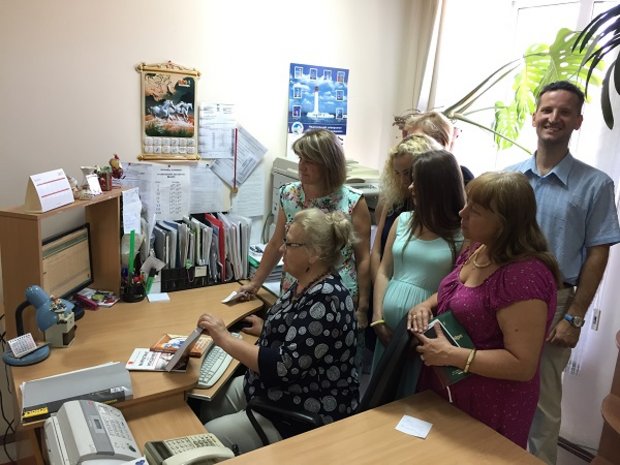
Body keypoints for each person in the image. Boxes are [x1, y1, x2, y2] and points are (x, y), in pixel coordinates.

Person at [507, 81, 620, 464]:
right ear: (534, 116)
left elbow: (598, 253)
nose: (554, 118)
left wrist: (575, 316)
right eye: (547, 110)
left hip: (555, 303)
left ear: (578, 122)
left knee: (543, 399)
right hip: (504, 296)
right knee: (496, 383)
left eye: (564, 112)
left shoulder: (595, 185)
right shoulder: (510, 178)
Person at [408, 171, 560, 449]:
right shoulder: (479, 249)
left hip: (490, 402)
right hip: (449, 384)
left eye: (474, 210)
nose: (462, 212)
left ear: (504, 223)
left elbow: (522, 364)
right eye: (467, 203)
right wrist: (426, 304)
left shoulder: (523, 276)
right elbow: (459, 292)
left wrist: (451, 355)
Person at [198, 208, 360, 453]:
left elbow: (283, 366)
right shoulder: (306, 282)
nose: (282, 249)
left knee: (209, 436)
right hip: (272, 388)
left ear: (314, 253)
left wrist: (224, 338)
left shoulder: (327, 298)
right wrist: (266, 329)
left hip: (301, 407)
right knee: (206, 403)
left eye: (290, 244)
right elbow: (304, 335)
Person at [239, 129, 371, 329]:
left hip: (336, 295)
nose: (302, 166)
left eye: (310, 161)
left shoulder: (353, 202)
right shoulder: (289, 195)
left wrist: (363, 307)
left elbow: (363, 259)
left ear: (328, 164)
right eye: (301, 158)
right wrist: (255, 283)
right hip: (295, 288)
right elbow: (276, 243)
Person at [371, 149, 465, 397]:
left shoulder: (462, 235)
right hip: (386, 331)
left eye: (417, 181)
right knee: (380, 398)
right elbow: (384, 271)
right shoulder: (403, 221)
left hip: (423, 337)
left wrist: (423, 334)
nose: (410, 187)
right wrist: (378, 317)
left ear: (437, 186)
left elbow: (456, 288)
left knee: (410, 399)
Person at [369, 134, 442, 282]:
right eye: (397, 173)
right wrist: (378, 284)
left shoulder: (436, 210)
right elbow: (376, 251)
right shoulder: (393, 202)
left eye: (407, 173)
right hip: (382, 281)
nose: (403, 181)